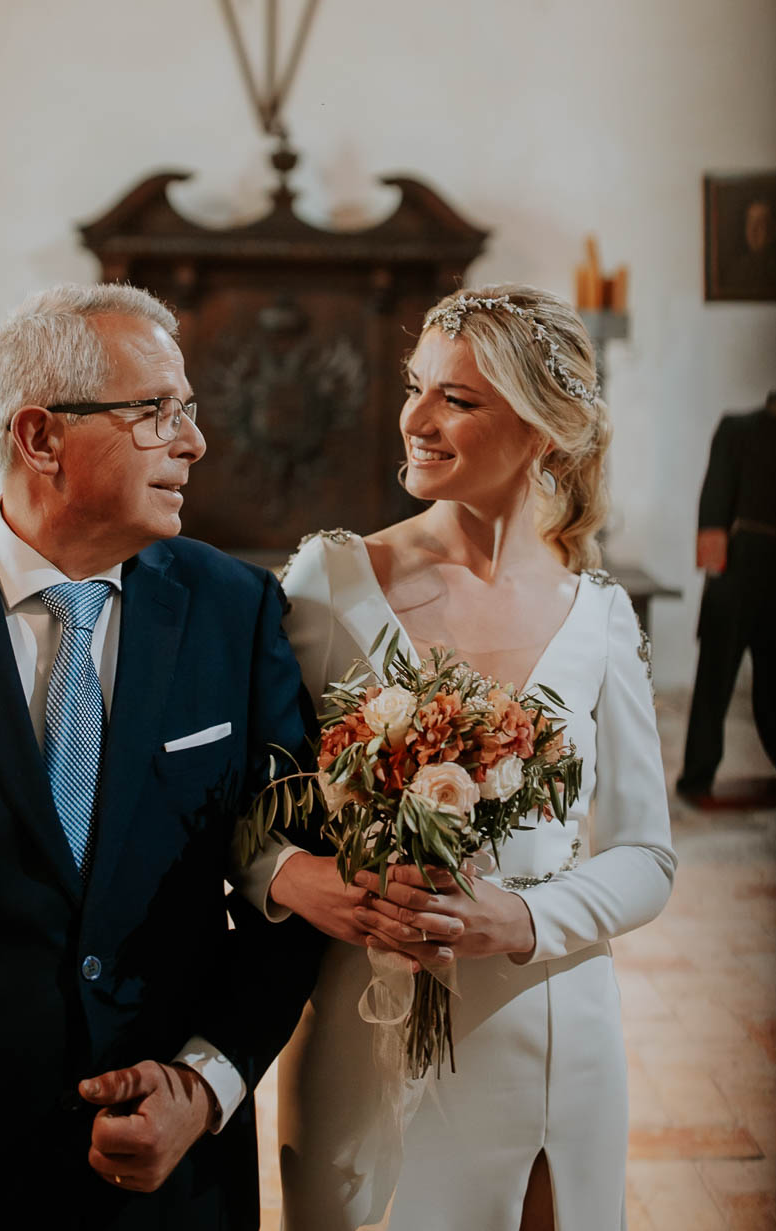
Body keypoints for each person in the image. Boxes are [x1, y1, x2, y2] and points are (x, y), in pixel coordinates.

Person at [0, 282, 323, 1231]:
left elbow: (299, 896)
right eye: (156, 411)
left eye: (187, 411)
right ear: (40, 437)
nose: (191, 442)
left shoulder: (237, 615)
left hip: (174, 1180)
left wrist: (203, 1084)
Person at [250, 286, 675, 1231]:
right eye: (416, 386)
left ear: (542, 432)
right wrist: (301, 879)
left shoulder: (600, 616)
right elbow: (249, 808)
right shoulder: (335, 581)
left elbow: (647, 857)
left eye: (458, 398)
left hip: (556, 1030)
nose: (414, 418)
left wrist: (516, 917)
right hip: (368, 1029)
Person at [676, 390, 776, 805]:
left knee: (771, 687)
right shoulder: (743, 428)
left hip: (763, 572)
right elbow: (716, 498)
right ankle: (698, 777)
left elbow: (716, 495)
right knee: (722, 680)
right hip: (757, 570)